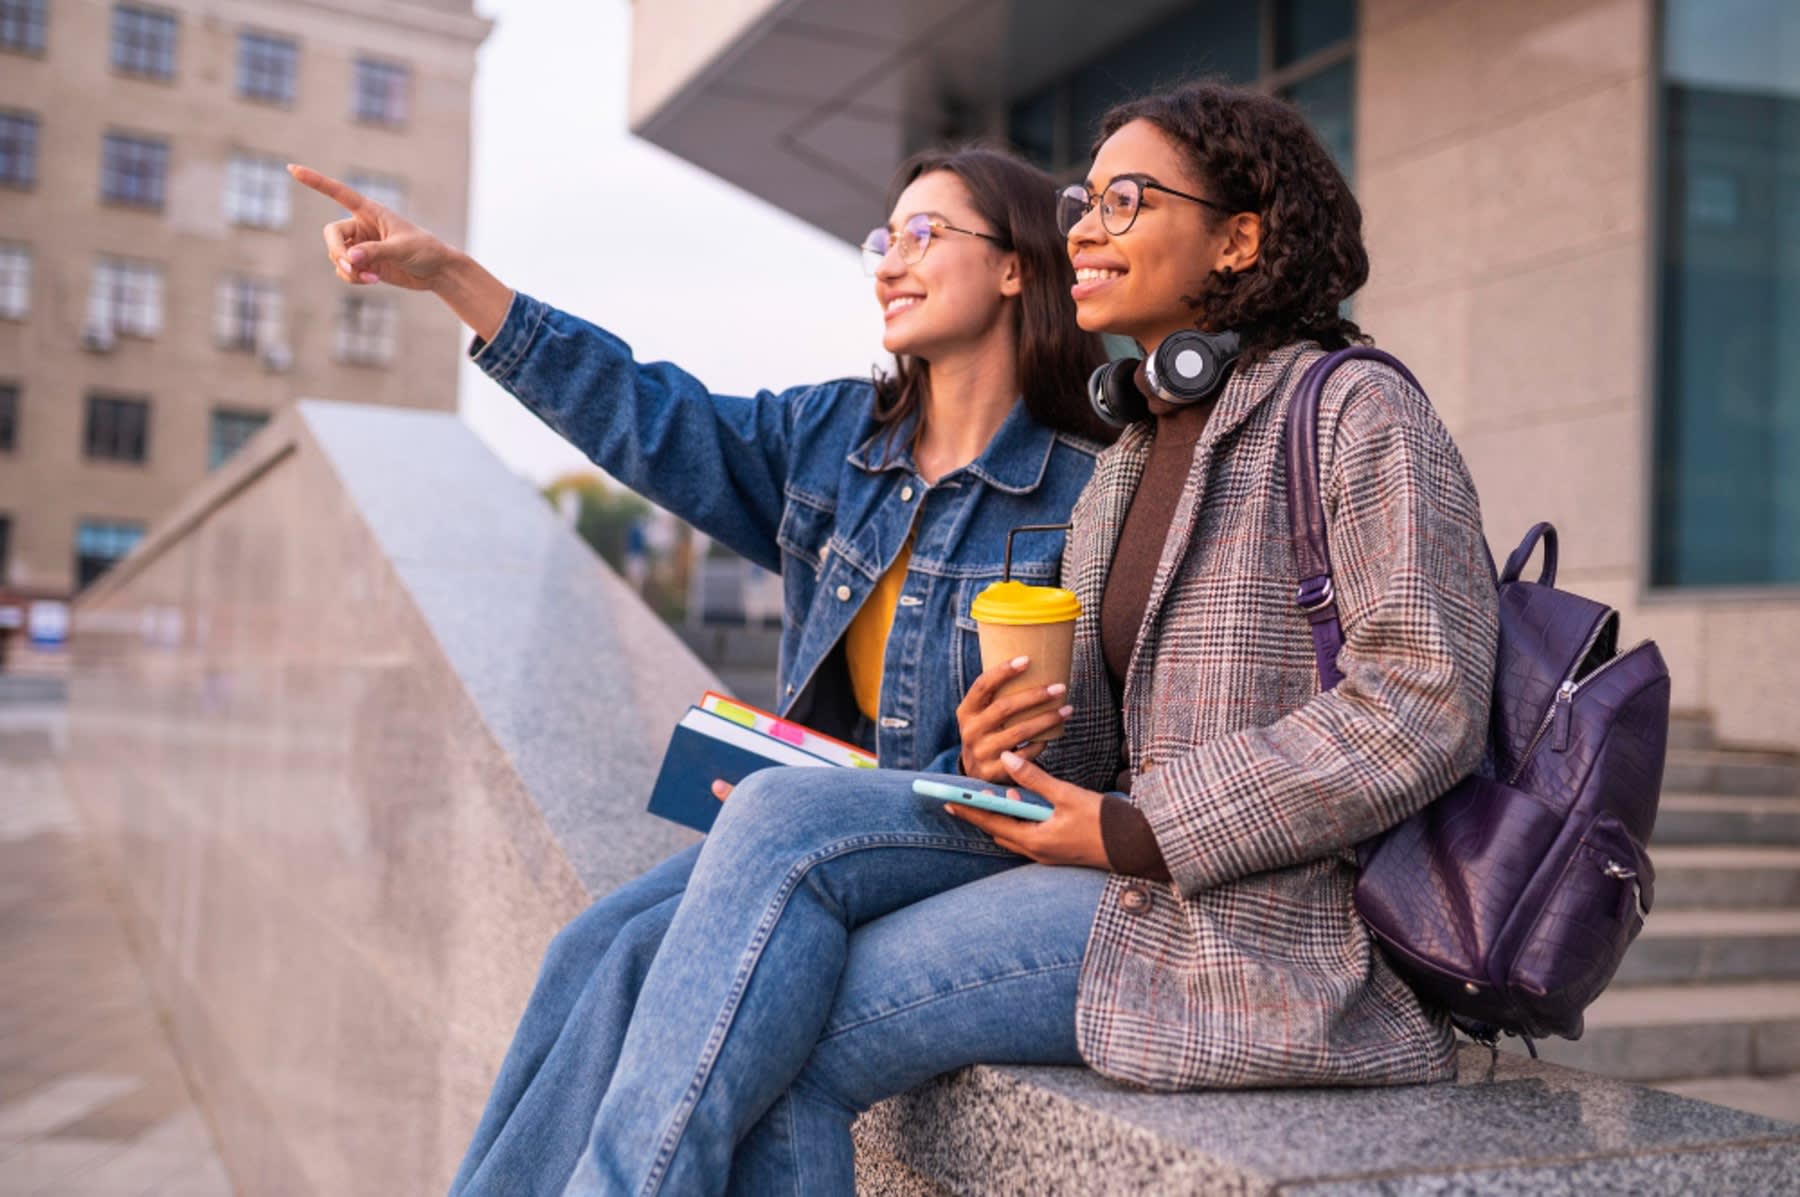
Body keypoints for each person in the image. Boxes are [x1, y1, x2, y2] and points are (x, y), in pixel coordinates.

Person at [542, 80, 1501, 1195]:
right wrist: (1013, 740)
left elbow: (1422, 705)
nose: (1084, 229)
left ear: (1238, 238)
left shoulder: (1357, 411)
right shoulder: (1135, 451)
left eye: (1126, 201)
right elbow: (1095, 742)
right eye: (1081, 202)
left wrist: (1142, 828)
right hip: (1122, 876)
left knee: (770, 1011)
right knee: (766, 909)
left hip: (1259, 928)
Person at [289, 146, 1110, 1194]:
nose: (889, 264)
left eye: (924, 236)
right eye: (881, 239)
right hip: (836, 821)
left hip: (979, 831)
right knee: (596, 950)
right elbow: (649, 415)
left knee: (737, 924)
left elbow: (1106, 730)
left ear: (1013, 268)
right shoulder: (835, 439)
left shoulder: (1085, 487)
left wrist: (1000, 746)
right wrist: (455, 278)